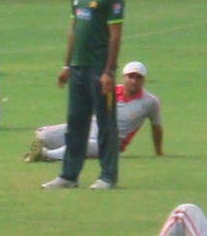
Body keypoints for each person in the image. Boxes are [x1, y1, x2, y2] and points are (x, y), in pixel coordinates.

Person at [43, 0, 124, 189]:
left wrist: (109, 71)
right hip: (78, 66)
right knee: (75, 123)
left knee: (105, 124)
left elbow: (115, 35)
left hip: (99, 68)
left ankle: (107, 176)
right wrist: (66, 65)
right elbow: (73, 30)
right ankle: (69, 175)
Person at [27, 61, 163, 163]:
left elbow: (156, 127)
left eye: (138, 77)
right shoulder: (110, 90)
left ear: (143, 80)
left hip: (111, 142)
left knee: (80, 145)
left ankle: (47, 155)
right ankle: (48, 149)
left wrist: (159, 152)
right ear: (123, 77)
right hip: (89, 128)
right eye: (130, 76)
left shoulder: (149, 102)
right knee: (43, 136)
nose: (133, 81)